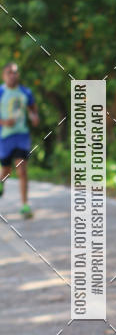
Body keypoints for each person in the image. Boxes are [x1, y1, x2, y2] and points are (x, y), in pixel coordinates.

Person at [0, 62, 39, 218]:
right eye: (9, 72)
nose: (12, 75)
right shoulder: (1, 92)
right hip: (4, 137)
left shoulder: (26, 92)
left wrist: (34, 117)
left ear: (18, 75)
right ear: (4, 75)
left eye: (15, 72)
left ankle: (25, 205)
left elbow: (33, 110)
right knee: (6, 171)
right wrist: (4, 122)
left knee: (21, 169)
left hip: (22, 136)